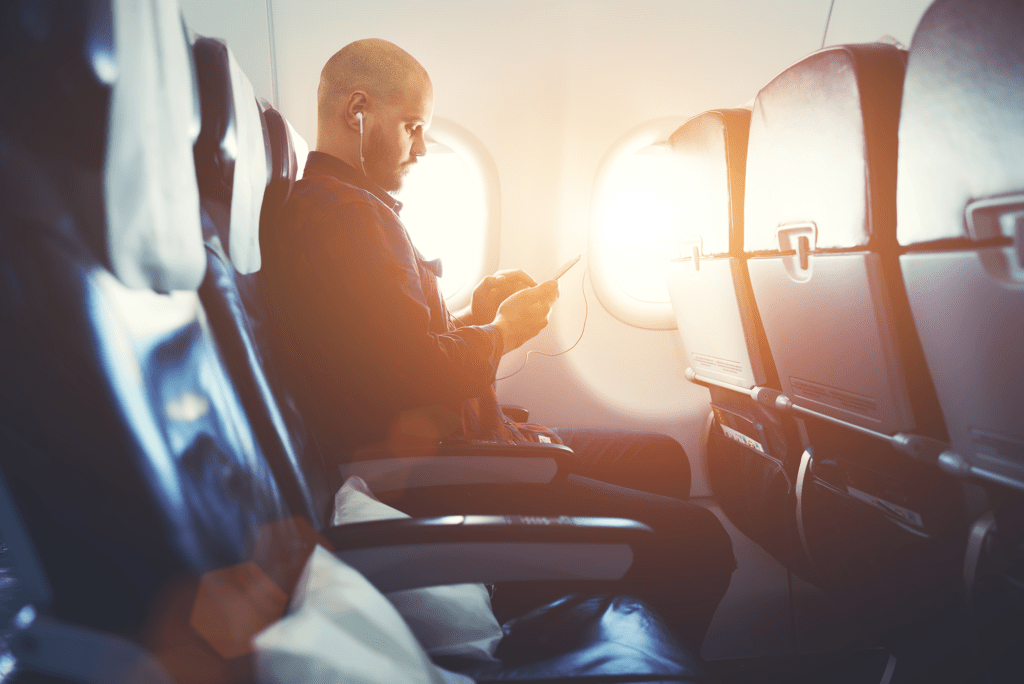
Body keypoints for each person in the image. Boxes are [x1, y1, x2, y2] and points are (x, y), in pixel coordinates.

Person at [258, 38, 734, 647]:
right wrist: (504, 331)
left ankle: (605, 621)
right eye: (412, 128)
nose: (422, 148)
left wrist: (479, 311)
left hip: (462, 446)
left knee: (660, 459)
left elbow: (389, 348)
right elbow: (415, 374)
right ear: (357, 109)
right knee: (699, 542)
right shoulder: (346, 216)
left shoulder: (353, 208)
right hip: (439, 471)